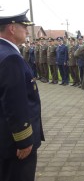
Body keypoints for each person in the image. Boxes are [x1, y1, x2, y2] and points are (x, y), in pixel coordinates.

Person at [0, 10, 44, 181]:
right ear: (12, 28)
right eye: (24, 27)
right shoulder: (11, 58)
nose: (27, 31)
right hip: (14, 144)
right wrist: (24, 140)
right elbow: (15, 104)